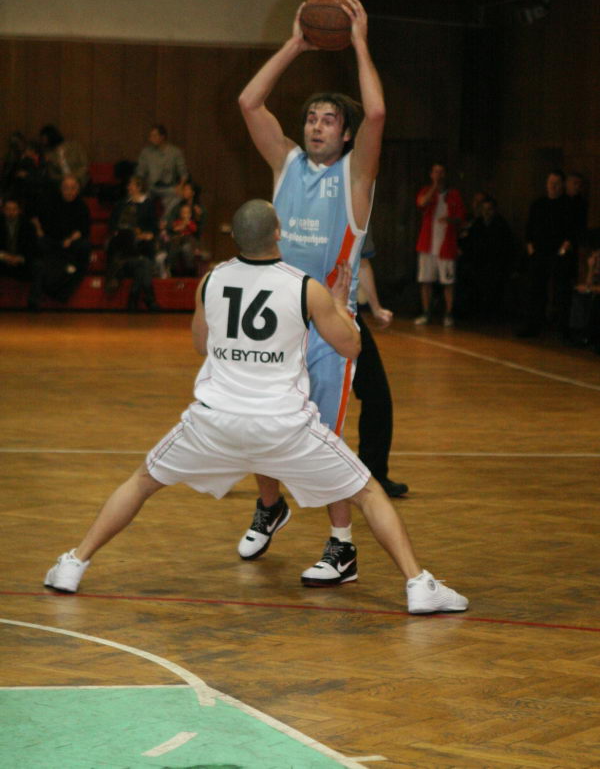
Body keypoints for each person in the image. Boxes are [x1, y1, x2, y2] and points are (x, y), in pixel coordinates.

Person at [44, 200, 468, 615]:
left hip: (214, 424)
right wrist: (340, 306)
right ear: (278, 233)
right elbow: (351, 347)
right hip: (283, 427)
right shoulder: (305, 287)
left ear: (235, 237)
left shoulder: (211, 280)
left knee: (141, 483)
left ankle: (73, 563)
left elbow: (200, 345)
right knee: (368, 492)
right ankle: (419, 585)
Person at [237, 0, 385, 586]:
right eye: (311, 118)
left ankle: (342, 548)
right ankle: (270, 507)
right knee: (258, 423)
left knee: (323, 440)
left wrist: (359, 43)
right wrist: (296, 44)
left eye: (328, 120)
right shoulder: (287, 165)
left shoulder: (356, 177)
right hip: (279, 322)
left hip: (328, 328)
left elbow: (377, 114)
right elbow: (249, 102)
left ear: (345, 135)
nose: (316, 126)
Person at [354, 229, 408, 498]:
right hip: (308, 310)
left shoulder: (357, 214)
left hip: (342, 314)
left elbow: (362, 261)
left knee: (377, 395)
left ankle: (373, 474)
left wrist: (375, 308)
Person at [517, 170, 577, 338]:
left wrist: (563, 250)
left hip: (559, 254)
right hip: (539, 253)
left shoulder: (568, 205)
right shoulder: (538, 204)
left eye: (556, 183)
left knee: (561, 292)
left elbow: (572, 231)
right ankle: (533, 325)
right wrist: (531, 250)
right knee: (535, 290)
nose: (553, 186)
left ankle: (563, 328)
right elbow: (529, 229)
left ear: (562, 185)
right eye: (550, 182)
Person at [28, 175, 91, 309]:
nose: (69, 191)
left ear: (78, 190)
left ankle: (63, 291)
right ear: (61, 189)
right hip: (50, 241)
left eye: (73, 188)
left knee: (84, 247)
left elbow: (83, 229)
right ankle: (37, 296)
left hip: (70, 243)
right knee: (38, 248)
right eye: (66, 188)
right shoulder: (49, 202)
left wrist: (70, 239)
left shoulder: (82, 206)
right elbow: (33, 216)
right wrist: (39, 230)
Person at [414, 162, 466, 327]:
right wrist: (434, 188)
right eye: (435, 172)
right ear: (431, 175)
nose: (438, 175)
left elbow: (461, 218)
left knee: (448, 283)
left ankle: (448, 314)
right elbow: (421, 203)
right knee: (425, 281)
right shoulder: (426, 191)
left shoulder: (454, 195)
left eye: (441, 172)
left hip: (446, 246)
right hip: (427, 245)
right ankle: (426, 313)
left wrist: (450, 220)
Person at [105, 176, 160, 312]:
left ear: (139, 187)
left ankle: (134, 297)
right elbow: (113, 224)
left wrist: (145, 234)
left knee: (144, 259)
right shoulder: (122, 204)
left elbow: (153, 227)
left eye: (132, 185)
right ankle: (147, 298)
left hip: (142, 244)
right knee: (144, 263)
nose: (129, 187)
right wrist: (122, 232)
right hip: (125, 244)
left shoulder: (148, 205)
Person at [135, 124, 188, 215]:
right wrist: (139, 185)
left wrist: (181, 185)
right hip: (150, 186)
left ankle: (165, 221)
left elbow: (183, 173)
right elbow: (140, 172)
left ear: (162, 137)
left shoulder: (175, 152)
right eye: (150, 136)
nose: (151, 139)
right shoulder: (146, 152)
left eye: (154, 136)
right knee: (138, 198)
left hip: (168, 187)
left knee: (178, 198)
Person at [0, 197, 38, 281]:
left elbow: (32, 247)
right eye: (8, 209)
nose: (11, 212)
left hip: (22, 262)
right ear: (3, 210)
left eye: (14, 209)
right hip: (2, 261)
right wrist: (4, 256)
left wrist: (19, 258)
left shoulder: (28, 225)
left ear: (19, 210)